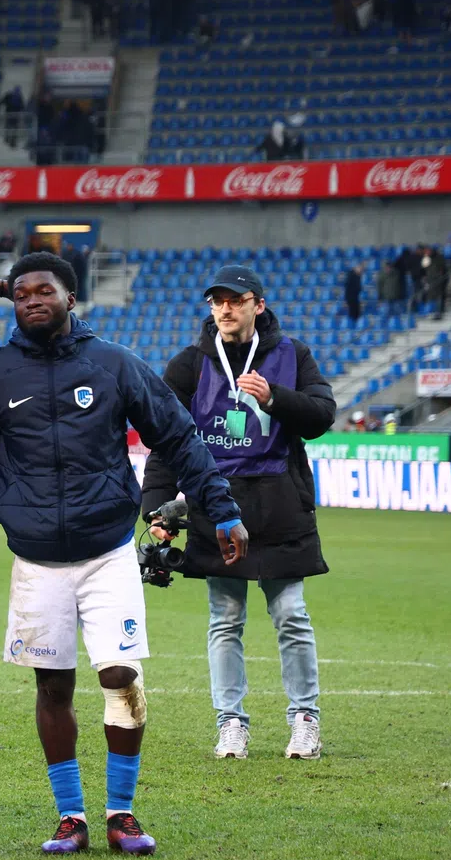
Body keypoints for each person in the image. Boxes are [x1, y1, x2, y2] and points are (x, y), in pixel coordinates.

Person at [0, 252, 247, 858]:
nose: (31, 300)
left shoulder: (114, 364)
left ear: (71, 300)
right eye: (20, 294)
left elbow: (178, 437)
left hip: (107, 553)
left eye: (44, 291)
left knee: (120, 678)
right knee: (52, 686)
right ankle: (71, 818)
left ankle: (121, 813)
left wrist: (220, 508)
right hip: (35, 559)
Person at [141, 265, 334, 763]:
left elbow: (322, 416)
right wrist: (157, 512)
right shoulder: (188, 364)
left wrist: (276, 398)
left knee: (291, 615)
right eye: (216, 301)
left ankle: (304, 719)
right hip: (216, 505)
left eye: (236, 299)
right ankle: (231, 724)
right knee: (225, 619)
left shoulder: (293, 355)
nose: (225, 309)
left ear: (258, 305)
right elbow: (164, 444)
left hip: (281, 504)